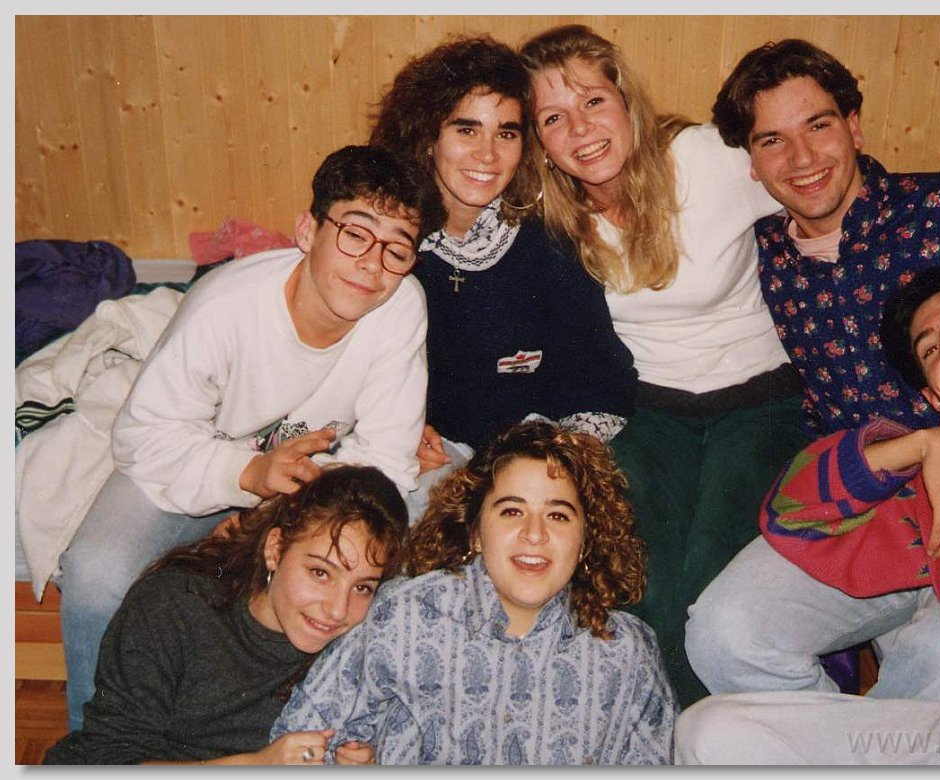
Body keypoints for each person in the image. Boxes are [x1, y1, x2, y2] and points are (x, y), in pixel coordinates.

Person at [684, 38, 940, 705]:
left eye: (818, 125)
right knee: (721, 635)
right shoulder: (756, 255)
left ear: (853, 126)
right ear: (752, 164)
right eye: (773, 141)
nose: (802, 159)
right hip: (865, 507)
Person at [56, 144, 446, 730]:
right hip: (197, 460)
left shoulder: (400, 307)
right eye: (355, 234)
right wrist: (246, 477)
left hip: (315, 481)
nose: (372, 265)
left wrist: (282, 506)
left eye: (397, 249)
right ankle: (96, 747)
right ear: (308, 231)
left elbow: (387, 458)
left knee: (416, 532)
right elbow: (143, 437)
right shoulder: (226, 307)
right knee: (95, 574)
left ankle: (333, 728)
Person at [675, 260, 940, 764]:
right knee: (704, 730)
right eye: (930, 350)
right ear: (936, 398)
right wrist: (924, 444)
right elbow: (793, 511)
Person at [518, 23, 811, 708]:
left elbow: (820, 176)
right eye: (553, 118)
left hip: (761, 399)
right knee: (637, 583)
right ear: (539, 142)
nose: (580, 129)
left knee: (710, 578)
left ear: (625, 99)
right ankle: (653, 733)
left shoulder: (704, 159)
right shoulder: (548, 217)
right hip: (648, 410)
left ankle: (712, 736)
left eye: (593, 101)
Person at [270, 420, 677, 765]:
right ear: (476, 531)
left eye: (557, 515)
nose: (534, 534)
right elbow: (300, 740)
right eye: (512, 511)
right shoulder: (405, 616)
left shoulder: (626, 654)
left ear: (586, 538)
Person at [367, 35, 636, 518]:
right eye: (466, 130)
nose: (488, 154)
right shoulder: (389, 242)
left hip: (532, 458)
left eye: (506, 133)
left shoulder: (548, 242)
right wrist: (402, 431)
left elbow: (600, 380)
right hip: (420, 453)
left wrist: (550, 456)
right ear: (428, 136)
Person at [44, 464, 410, 765]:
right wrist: (255, 766)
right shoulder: (175, 606)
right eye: (320, 572)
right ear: (275, 549)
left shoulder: (360, 643)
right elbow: (107, 757)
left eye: (362, 587)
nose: (337, 609)